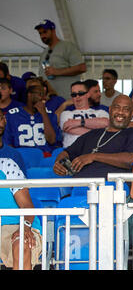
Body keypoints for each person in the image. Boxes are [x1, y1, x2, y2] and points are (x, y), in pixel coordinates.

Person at [53, 95, 133, 180]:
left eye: (126, 109)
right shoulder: (92, 134)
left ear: (132, 114)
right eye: (116, 107)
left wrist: (93, 157)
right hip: (80, 187)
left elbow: (132, 160)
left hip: (112, 188)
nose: (120, 112)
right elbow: (66, 153)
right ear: (110, 110)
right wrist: (59, 163)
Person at [0, 109, 42, 270]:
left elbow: (26, 205)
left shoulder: (7, 164)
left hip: (13, 226)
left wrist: (24, 227)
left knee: (22, 242)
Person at [3, 85, 62, 156]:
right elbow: (7, 142)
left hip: (44, 156)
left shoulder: (50, 114)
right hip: (22, 156)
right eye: (40, 94)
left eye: (45, 95)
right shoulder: (12, 115)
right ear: (29, 95)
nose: (44, 98)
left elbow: (52, 140)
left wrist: (44, 114)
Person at [35, 19, 87, 100]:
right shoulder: (43, 53)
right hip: (50, 102)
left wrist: (57, 72)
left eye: (45, 32)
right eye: (40, 33)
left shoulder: (68, 46)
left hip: (68, 100)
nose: (42, 36)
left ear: (53, 31)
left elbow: (82, 67)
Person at [59, 81, 109, 148]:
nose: (77, 97)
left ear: (88, 94)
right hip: (72, 152)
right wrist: (97, 132)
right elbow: (67, 127)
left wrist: (78, 122)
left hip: (96, 151)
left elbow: (106, 123)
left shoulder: (100, 112)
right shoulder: (66, 114)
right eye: (74, 95)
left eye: (80, 93)